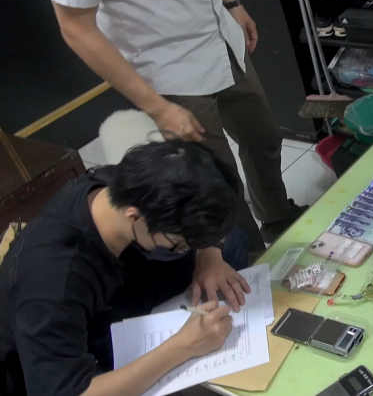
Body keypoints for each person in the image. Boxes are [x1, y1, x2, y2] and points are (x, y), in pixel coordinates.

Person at [35, 0, 307, 247]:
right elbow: (75, 26)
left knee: (262, 136)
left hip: (221, 35)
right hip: (170, 68)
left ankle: (277, 217)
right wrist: (159, 109)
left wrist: (233, 3)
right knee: (214, 178)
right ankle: (250, 256)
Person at [0, 140, 256, 396]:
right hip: (73, 347)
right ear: (134, 216)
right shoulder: (55, 281)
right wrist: (183, 346)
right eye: (180, 244)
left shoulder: (131, 186)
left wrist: (209, 256)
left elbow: (202, 227)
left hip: (122, 283)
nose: (187, 248)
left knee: (231, 243)